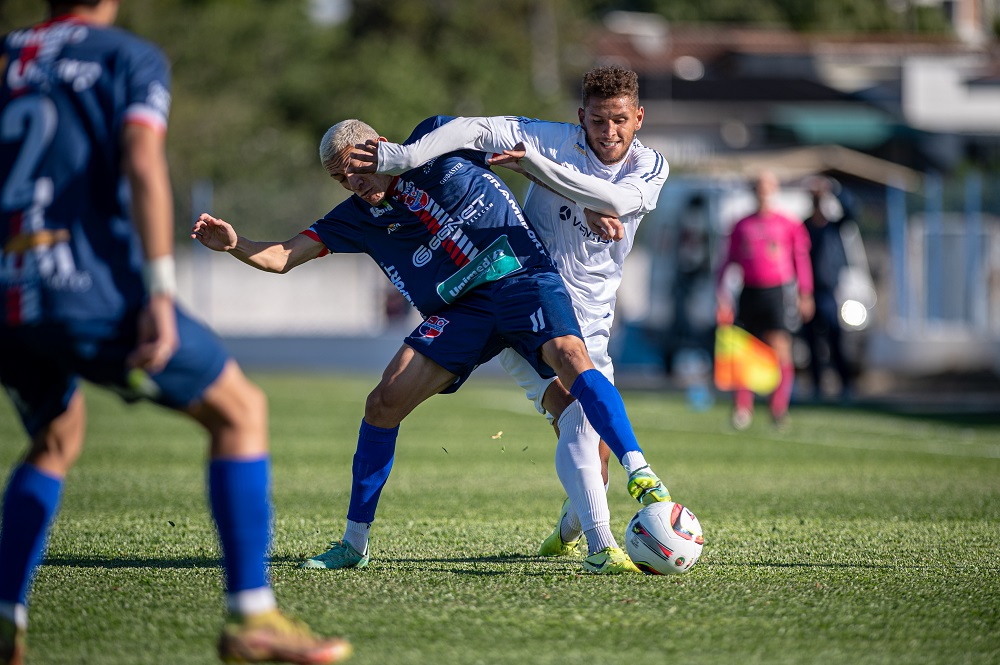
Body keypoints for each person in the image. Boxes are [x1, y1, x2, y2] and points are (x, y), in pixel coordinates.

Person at [0, 3, 349, 664]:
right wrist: (160, 292)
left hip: (9, 293)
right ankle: (252, 616)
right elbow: (141, 160)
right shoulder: (125, 56)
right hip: (87, 288)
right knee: (240, 410)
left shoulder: (8, 56)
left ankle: (5, 615)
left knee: (54, 436)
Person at [191, 115, 670, 575]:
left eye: (357, 168)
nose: (354, 183)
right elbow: (282, 256)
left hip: (523, 277)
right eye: (341, 179)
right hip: (463, 312)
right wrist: (237, 243)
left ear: (377, 145)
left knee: (572, 374)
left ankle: (635, 480)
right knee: (382, 403)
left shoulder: (440, 143)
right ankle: (353, 544)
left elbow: (529, 152)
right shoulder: (356, 218)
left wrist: (591, 202)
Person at [349, 65, 669, 566]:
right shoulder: (552, 138)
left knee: (588, 441)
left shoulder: (650, 167)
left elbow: (615, 199)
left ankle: (574, 522)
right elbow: (471, 127)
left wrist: (543, 174)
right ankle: (603, 542)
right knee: (581, 427)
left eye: (621, 121)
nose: (610, 133)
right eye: (599, 122)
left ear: (639, 118)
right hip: (524, 293)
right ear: (581, 117)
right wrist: (405, 156)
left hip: (590, 313)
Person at [715, 171, 814, 431]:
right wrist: (722, 295)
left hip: (777, 293)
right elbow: (726, 262)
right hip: (749, 292)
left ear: (775, 190)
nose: (763, 192)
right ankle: (742, 408)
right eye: (759, 187)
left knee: (780, 349)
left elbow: (800, 261)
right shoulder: (741, 225)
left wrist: (805, 293)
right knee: (744, 352)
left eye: (768, 187)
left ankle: (778, 409)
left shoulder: (788, 224)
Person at [802, 177, 853, 401]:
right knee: (811, 342)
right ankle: (816, 386)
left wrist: (835, 189)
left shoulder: (833, 228)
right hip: (808, 293)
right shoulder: (804, 227)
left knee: (835, 339)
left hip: (829, 293)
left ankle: (845, 384)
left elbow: (853, 212)